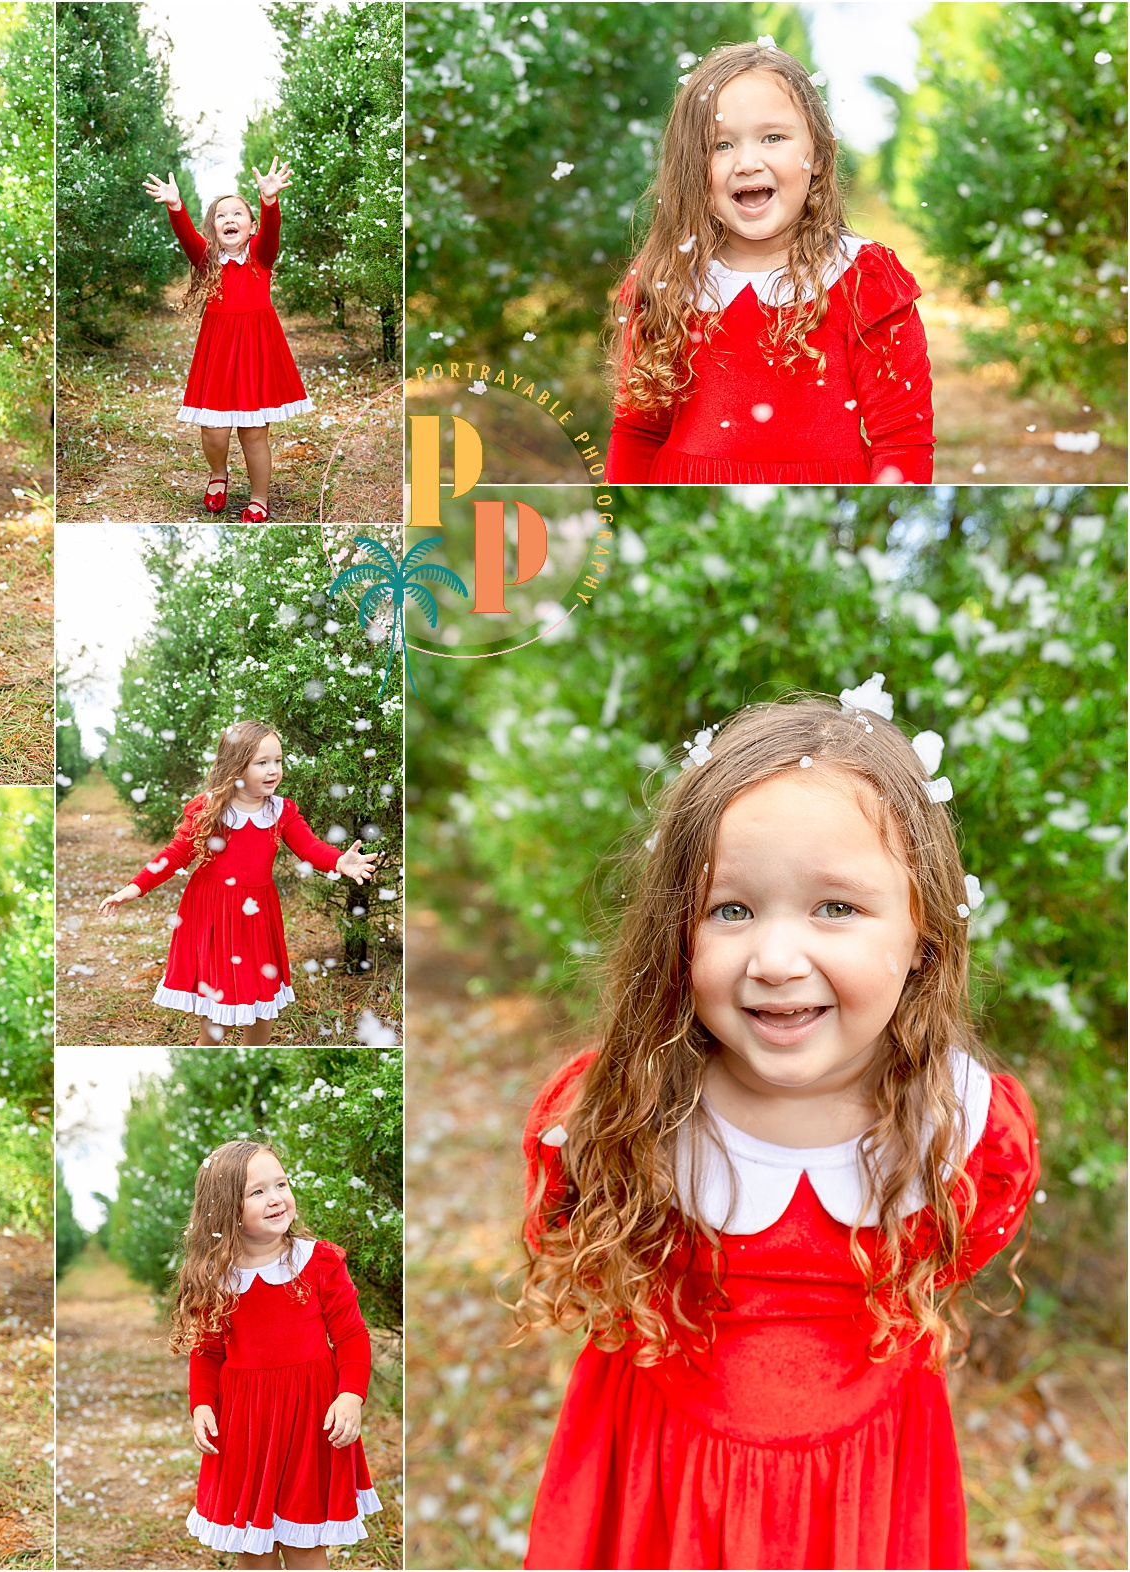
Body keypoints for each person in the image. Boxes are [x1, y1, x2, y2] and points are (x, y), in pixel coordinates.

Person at [516, 689, 1037, 1569]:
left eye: (836, 907)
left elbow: (958, 1247)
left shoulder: (962, 1129)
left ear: (923, 932)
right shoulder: (630, 1109)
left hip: (862, 1487)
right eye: (732, 910)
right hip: (660, 1482)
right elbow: (568, 1225)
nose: (777, 959)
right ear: (676, 936)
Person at [603, 40, 934, 483]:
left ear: (816, 154)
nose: (746, 162)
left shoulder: (862, 280)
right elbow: (638, 432)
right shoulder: (668, 278)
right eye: (720, 145)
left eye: (773, 137)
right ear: (691, 167)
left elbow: (902, 441)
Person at [98, 720, 376, 1045]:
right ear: (235, 766)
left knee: (262, 1007)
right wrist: (134, 888)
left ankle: (252, 1053)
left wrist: (339, 861)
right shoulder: (210, 808)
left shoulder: (280, 811)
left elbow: (309, 846)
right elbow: (174, 855)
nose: (273, 770)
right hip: (213, 912)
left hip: (257, 915)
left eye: (278, 761)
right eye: (262, 763)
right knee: (217, 1013)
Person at [173, 1140, 381, 1567]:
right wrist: (201, 1406)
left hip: (309, 1419)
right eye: (257, 1192)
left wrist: (350, 1394)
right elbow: (208, 1351)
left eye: (280, 1184)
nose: (275, 1198)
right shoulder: (217, 1279)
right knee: (255, 1542)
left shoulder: (318, 1262)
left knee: (306, 1540)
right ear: (226, 1208)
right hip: (246, 1424)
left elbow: (351, 1336)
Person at [144, 159, 314, 520]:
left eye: (239, 213)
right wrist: (176, 207)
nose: (230, 219)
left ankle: (259, 498)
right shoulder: (208, 261)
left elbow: (272, 232)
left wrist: (269, 201)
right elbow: (187, 237)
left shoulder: (261, 259)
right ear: (214, 229)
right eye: (222, 216)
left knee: (254, 434)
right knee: (214, 431)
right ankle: (218, 474)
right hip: (219, 351)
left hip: (257, 349)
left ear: (251, 227)